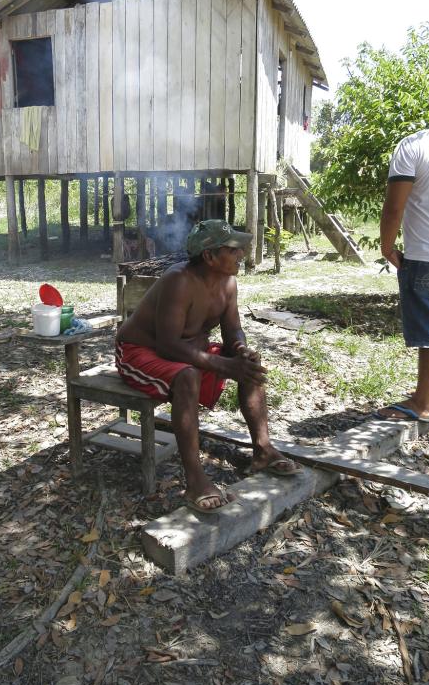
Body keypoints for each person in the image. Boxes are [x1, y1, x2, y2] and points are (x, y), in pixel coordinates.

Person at [115, 218, 300, 513]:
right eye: (233, 249)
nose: (241, 254)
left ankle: (263, 449)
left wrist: (238, 350)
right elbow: (167, 344)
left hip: (187, 348)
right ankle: (195, 481)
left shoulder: (228, 282)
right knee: (187, 377)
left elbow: (233, 330)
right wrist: (223, 366)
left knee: (248, 364)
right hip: (139, 351)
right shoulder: (180, 281)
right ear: (210, 256)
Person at [377, 75, 429, 423]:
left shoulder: (414, 145)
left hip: (428, 254)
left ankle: (421, 403)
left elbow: (395, 207)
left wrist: (387, 244)